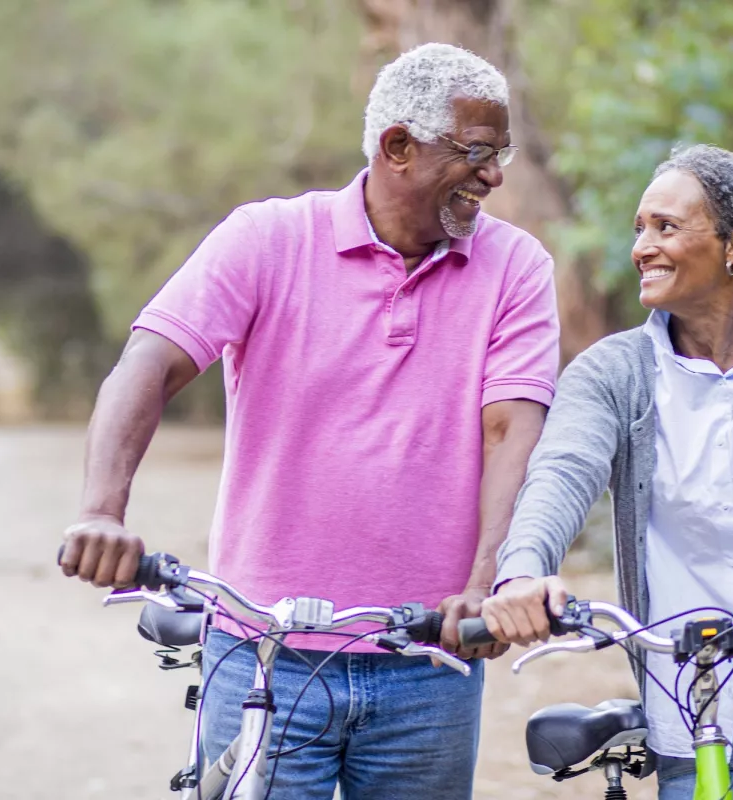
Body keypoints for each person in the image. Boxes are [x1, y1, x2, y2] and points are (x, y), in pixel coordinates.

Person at [59, 42, 560, 800]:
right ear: (398, 146)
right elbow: (147, 366)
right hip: (263, 654)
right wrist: (102, 511)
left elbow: (510, 430)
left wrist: (485, 582)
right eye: (477, 152)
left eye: (503, 154)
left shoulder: (516, 267)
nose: (494, 175)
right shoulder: (266, 239)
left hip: (429, 661)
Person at [482, 144, 733, 798]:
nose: (642, 246)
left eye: (666, 227)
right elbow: (560, 473)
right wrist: (524, 571)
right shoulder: (613, 374)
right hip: (696, 710)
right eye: (639, 228)